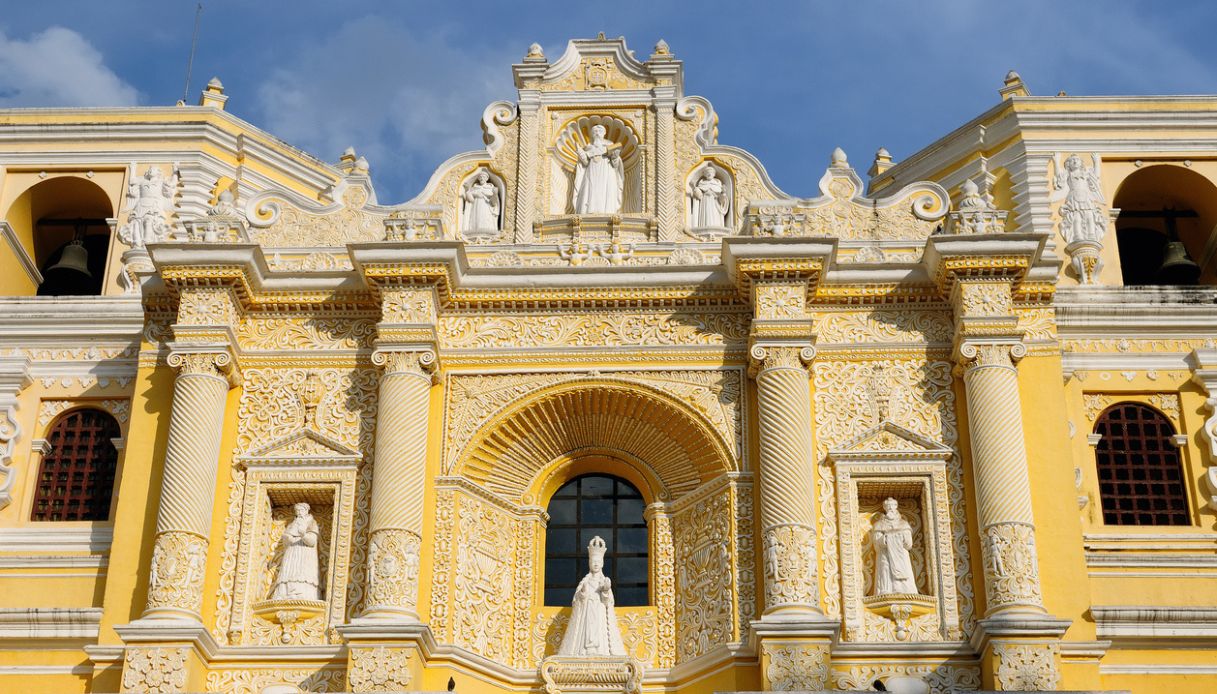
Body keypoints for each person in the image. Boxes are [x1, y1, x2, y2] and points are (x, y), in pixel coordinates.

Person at [557, 536, 626, 656]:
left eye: (598, 562)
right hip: (587, 611)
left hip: (599, 611)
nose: (595, 564)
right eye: (593, 562)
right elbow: (577, 600)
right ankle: (585, 650)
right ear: (589, 563)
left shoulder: (604, 581)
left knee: (599, 632)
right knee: (588, 632)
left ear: (602, 564)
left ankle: (601, 651)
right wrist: (582, 593)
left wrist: (605, 590)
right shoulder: (585, 582)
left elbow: (608, 601)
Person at [271, 503, 321, 600]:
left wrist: (303, 535)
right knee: (289, 571)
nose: (299, 513)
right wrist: (287, 538)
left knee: (302, 571)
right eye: (297, 511)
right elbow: (286, 539)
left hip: (305, 552)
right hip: (292, 552)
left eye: (301, 510)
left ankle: (301, 592)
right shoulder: (292, 524)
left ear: (306, 511)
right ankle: (285, 592)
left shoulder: (311, 523)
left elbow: (312, 541)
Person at [573, 125, 624, 214]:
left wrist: (615, 157)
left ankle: (607, 212)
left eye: (599, 131)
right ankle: (588, 211)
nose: (597, 133)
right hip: (591, 171)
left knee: (605, 191)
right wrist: (580, 151)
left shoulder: (610, 145)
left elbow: (615, 165)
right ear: (592, 134)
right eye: (595, 131)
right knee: (590, 190)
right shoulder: (588, 147)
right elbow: (585, 162)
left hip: (607, 171)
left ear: (604, 133)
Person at [871, 498, 918, 595]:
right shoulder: (879, 524)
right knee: (885, 569)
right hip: (886, 554)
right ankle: (886, 591)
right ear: (885, 508)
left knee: (905, 572)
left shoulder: (903, 524)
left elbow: (909, 543)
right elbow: (877, 542)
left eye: (892, 505)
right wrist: (886, 538)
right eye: (888, 506)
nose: (890, 508)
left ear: (896, 506)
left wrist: (901, 538)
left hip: (901, 555)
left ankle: (906, 590)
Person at [461, 169, 500, 233]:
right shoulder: (475, 188)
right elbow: (471, 200)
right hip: (476, 207)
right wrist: (467, 190)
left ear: (487, 179)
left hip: (486, 207)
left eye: (483, 177)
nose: (482, 178)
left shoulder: (490, 189)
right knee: (476, 220)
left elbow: (494, 203)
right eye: (480, 177)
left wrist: (495, 194)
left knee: (485, 220)